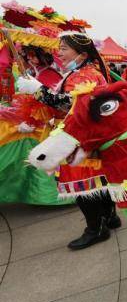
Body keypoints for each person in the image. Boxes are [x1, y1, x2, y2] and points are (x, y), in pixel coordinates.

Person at [16, 32, 120, 249]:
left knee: (83, 184)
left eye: (64, 49)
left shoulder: (84, 75)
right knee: (96, 180)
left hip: (78, 138)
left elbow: (69, 106)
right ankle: (109, 217)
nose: (59, 53)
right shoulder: (81, 71)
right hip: (84, 136)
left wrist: (38, 90)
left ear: (81, 54)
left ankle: (96, 228)